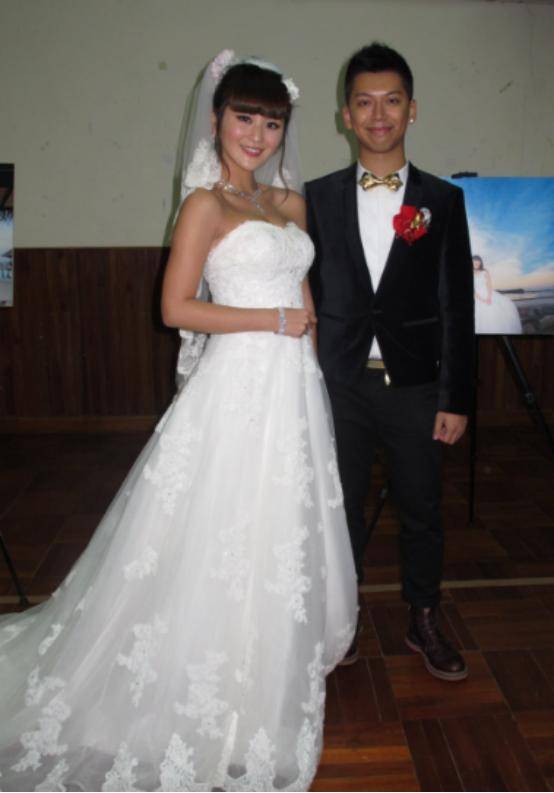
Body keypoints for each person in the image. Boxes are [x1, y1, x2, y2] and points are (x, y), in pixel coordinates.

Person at [0, 51, 357, 791]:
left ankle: (268, 659)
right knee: (219, 526)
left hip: (293, 388)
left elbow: (307, 303)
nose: (257, 135)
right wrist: (274, 320)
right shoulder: (204, 206)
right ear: (217, 120)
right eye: (244, 118)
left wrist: (313, 369)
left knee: (278, 523)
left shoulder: (289, 205)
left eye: (272, 123)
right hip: (236, 386)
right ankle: (207, 678)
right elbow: (175, 308)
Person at [305, 43, 474, 681]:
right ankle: (342, 619)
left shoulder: (443, 201)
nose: (379, 115)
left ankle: (423, 615)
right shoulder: (315, 198)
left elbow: (457, 304)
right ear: (346, 115)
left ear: (412, 110)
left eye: (392, 101)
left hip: (417, 387)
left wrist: (455, 397)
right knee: (339, 509)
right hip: (339, 383)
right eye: (365, 102)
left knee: (422, 508)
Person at [473, 254, 522, 334]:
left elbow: (489, 285)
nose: (476, 263)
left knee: (494, 313)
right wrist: (482, 299)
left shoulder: (484, 271)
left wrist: (489, 297)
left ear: (480, 263)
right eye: (474, 261)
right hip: (477, 296)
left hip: (488, 294)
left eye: (478, 261)